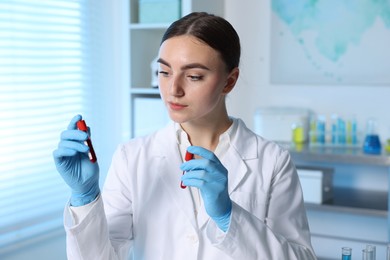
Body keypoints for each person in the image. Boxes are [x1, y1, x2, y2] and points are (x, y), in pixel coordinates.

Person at [53, 12, 316, 260]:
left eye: (194, 76)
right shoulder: (132, 158)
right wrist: (85, 197)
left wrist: (229, 216)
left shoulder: (272, 161)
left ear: (229, 81)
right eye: (164, 72)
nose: (173, 89)